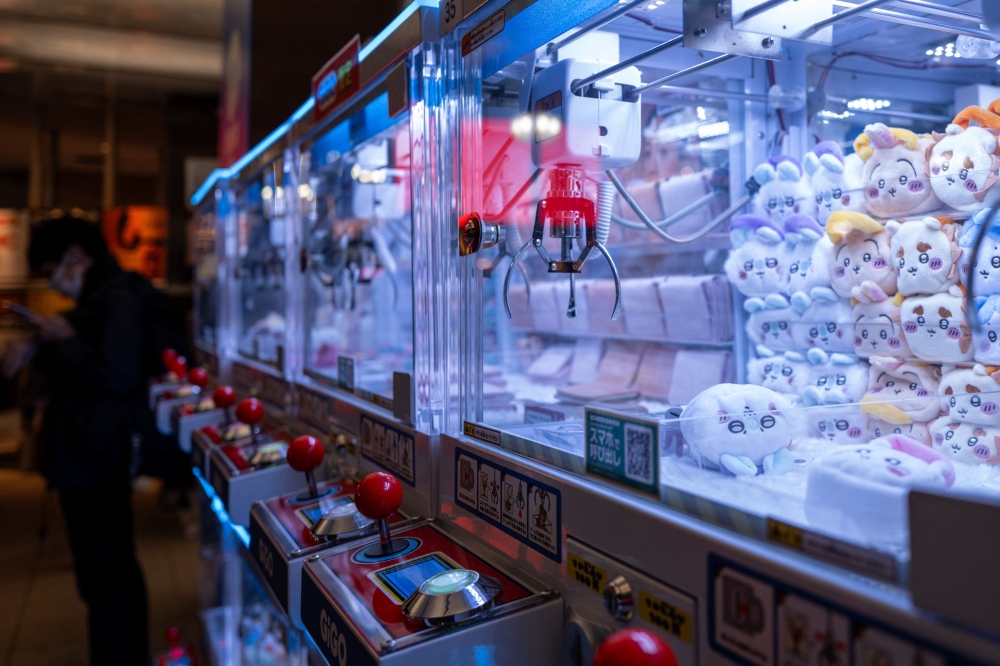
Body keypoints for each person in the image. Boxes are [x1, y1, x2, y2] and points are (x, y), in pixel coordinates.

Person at [1, 217, 167, 665]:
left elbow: (117, 373)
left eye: (54, 268)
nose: (54, 281)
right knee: (105, 575)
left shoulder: (118, 298)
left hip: (97, 460)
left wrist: (65, 341)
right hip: (90, 457)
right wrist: (43, 341)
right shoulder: (102, 298)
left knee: (108, 577)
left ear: (77, 257)